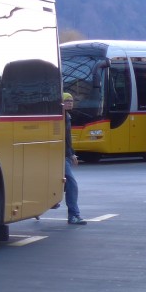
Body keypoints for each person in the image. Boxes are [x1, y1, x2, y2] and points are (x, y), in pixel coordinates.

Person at [62, 93, 86, 225]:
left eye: (71, 100)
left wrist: (71, 153)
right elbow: (64, 139)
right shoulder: (61, 117)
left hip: (65, 154)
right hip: (60, 156)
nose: (70, 103)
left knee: (67, 183)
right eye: (67, 101)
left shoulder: (67, 116)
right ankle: (73, 215)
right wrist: (70, 154)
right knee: (72, 183)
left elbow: (68, 140)